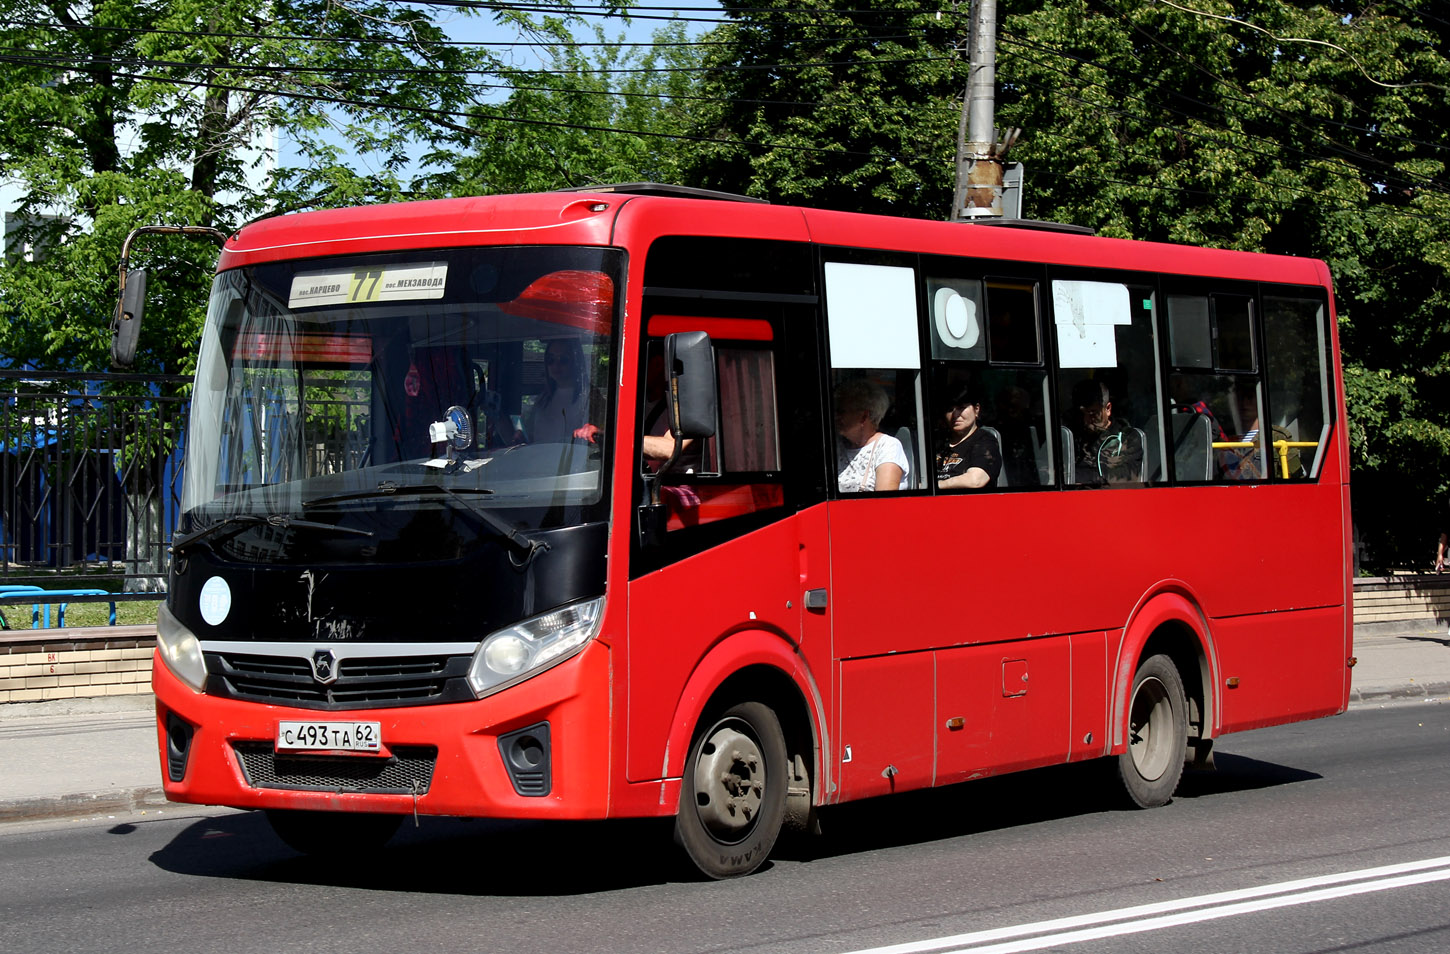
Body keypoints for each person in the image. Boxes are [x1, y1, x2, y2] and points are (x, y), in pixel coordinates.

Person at [835, 377, 909, 492]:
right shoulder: (837, 446)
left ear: (864, 416)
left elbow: (885, 503)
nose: (836, 417)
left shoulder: (888, 446)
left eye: (841, 411)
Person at [1071, 379, 1143, 485]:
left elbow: (1125, 476)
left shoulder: (1127, 438)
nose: (1086, 420)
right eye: (1083, 413)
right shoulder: (1075, 437)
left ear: (1108, 408)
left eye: (1092, 413)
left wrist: (1080, 478)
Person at [523, 338, 596, 443]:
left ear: (576, 362)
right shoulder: (542, 399)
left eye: (563, 359)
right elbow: (529, 439)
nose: (556, 365)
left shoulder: (590, 396)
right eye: (551, 359)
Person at [935, 386, 1000, 490]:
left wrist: (935, 486)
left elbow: (976, 480)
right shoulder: (937, 442)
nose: (955, 414)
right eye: (950, 409)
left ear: (976, 409)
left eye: (961, 408)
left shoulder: (985, 440)